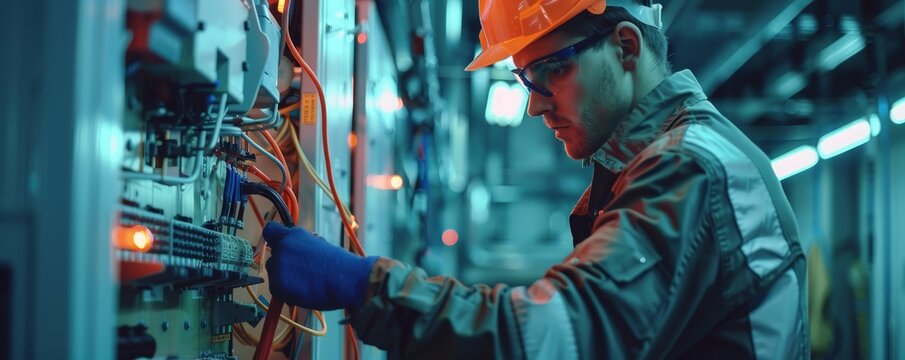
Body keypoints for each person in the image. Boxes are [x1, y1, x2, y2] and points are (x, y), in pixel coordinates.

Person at [263, 0, 809, 358]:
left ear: (626, 46)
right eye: (525, 79)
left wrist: (365, 285)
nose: (534, 105)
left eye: (552, 71)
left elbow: (557, 336)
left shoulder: (691, 169)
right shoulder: (659, 165)